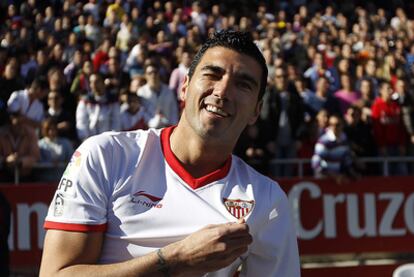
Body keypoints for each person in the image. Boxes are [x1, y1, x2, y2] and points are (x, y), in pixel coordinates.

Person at [40, 30, 300, 277]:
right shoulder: (105, 156)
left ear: (257, 110)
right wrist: (174, 260)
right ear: (184, 87)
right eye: (212, 74)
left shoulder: (267, 200)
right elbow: (54, 274)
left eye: (243, 84)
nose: (222, 92)